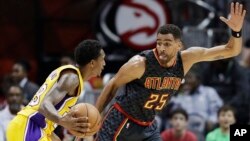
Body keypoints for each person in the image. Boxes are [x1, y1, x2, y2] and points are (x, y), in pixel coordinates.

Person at [95, 2, 246, 141]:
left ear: (178, 45)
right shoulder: (140, 64)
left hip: (148, 124)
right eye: (159, 43)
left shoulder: (187, 59)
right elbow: (112, 85)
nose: (161, 48)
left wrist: (237, 32)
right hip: (122, 120)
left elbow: (231, 50)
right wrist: (95, 115)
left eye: (167, 44)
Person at [6, 39, 106, 141]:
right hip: (29, 127)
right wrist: (63, 121)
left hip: (32, 128)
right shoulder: (73, 78)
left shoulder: (72, 76)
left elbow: (45, 118)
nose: (104, 63)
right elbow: (44, 104)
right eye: (102, 59)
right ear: (92, 63)